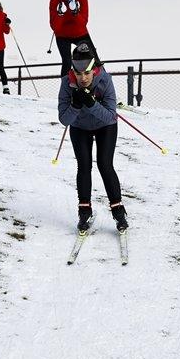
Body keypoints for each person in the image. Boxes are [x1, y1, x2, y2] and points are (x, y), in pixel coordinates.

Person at [58, 43, 127, 232]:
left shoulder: (105, 80)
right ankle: (84, 212)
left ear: (94, 70)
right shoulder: (66, 84)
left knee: (105, 164)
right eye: (79, 74)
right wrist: (75, 105)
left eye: (87, 73)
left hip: (106, 126)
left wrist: (91, 103)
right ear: (73, 71)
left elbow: (111, 116)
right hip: (80, 128)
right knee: (84, 166)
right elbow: (64, 119)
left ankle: (119, 212)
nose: (83, 78)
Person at [49, 0, 98, 77]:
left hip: (80, 33)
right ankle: (65, 90)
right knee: (67, 62)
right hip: (62, 35)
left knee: (94, 59)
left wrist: (75, 12)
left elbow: (83, 23)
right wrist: (61, 14)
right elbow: (54, 27)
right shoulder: (55, 0)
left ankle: (101, 86)